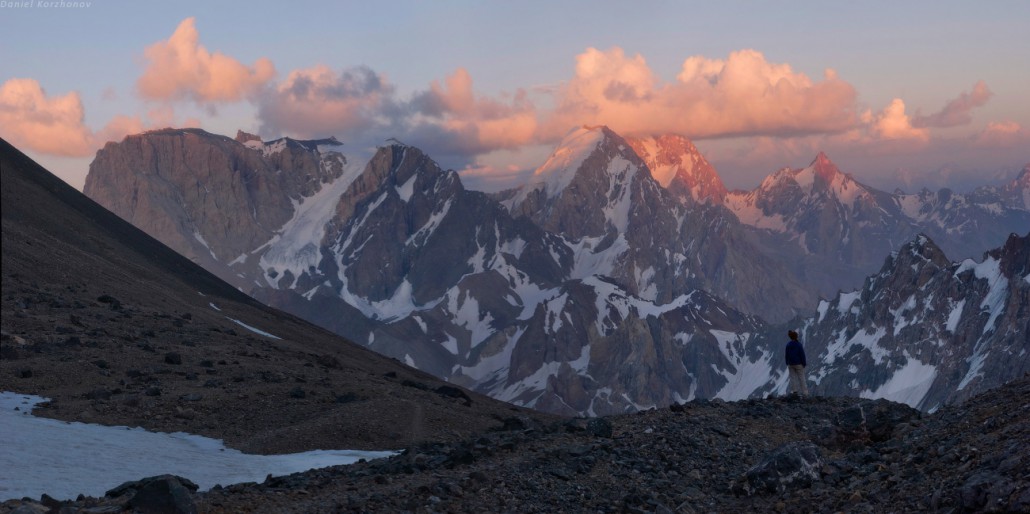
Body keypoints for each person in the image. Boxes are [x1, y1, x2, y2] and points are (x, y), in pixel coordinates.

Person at [785, 330, 809, 397]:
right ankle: (805, 392)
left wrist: (787, 362)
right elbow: (802, 355)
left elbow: (786, 355)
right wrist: (804, 363)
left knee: (793, 378)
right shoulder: (799, 345)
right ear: (796, 337)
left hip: (790, 364)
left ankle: (795, 391)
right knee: (801, 378)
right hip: (798, 364)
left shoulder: (788, 345)